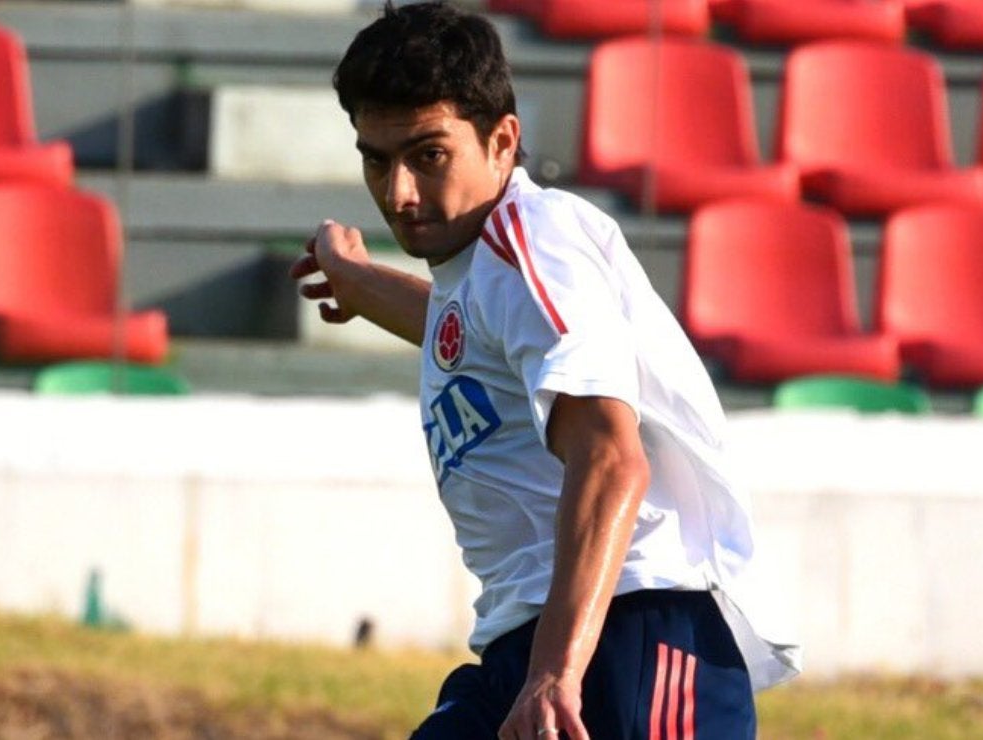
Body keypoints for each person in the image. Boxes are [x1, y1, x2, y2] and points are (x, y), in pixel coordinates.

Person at [289, 3, 799, 738]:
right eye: (377, 159)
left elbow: (610, 458)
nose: (398, 192)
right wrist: (362, 284)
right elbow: (471, 336)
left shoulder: (537, 243)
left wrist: (556, 673)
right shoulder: (491, 264)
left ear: (503, 141)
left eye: (428, 156)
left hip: (631, 631)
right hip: (534, 643)